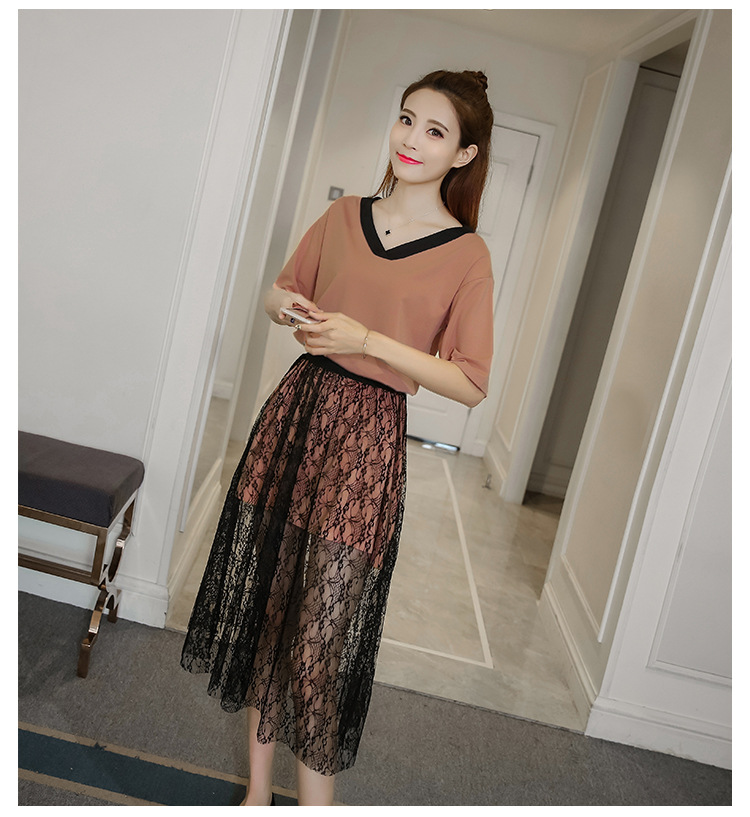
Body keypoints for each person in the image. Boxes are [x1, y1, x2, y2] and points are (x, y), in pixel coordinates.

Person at [181, 69, 495, 806]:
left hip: (367, 440)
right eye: (407, 119)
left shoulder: (467, 255)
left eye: (435, 131)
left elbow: (470, 381)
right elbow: (278, 290)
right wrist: (289, 309)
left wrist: (367, 339)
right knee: (269, 615)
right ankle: (258, 795)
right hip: (298, 413)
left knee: (319, 642)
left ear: (463, 155)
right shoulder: (345, 214)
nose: (411, 139)